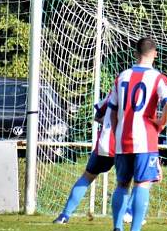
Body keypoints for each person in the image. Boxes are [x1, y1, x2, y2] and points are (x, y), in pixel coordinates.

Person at [108, 37, 167, 231]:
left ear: (136, 54)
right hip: (145, 138)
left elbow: (112, 109)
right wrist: (160, 123)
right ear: (155, 53)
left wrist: (117, 131)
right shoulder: (159, 78)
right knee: (143, 184)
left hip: (122, 138)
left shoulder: (122, 76)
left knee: (121, 184)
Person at [53, 91, 137, 224]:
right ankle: (128, 212)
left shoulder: (114, 92)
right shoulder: (137, 94)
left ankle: (64, 215)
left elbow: (97, 116)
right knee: (139, 180)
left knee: (87, 177)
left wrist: (108, 123)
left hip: (105, 143)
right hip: (125, 143)